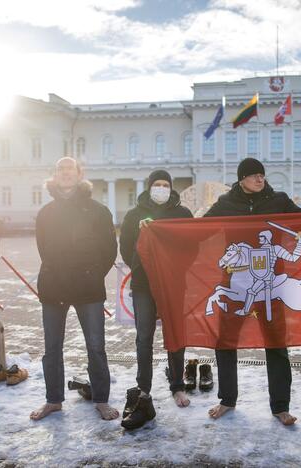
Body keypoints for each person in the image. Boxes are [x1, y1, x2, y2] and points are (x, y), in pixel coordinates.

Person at [203, 157, 301, 426]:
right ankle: (227, 399)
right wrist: (161, 227)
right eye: (253, 175)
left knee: (276, 344)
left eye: (262, 174)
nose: (260, 179)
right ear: (241, 179)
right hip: (235, 285)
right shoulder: (226, 204)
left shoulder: (279, 200)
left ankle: (280, 406)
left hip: (269, 286)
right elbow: (198, 229)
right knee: (226, 341)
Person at [30, 157, 119, 421]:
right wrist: (58, 272)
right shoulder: (45, 213)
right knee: (52, 347)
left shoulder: (98, 210)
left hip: (88, 288)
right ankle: (53, 400)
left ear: (81, 174)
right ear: (54, 176)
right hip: (53, 286)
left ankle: (102, 400)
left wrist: (91, 274)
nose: (65, 172)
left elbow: (109, 250)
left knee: (95, 346)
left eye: (70, 168)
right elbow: (42, 248)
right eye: (60, 168)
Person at [119, 170, 194, 430]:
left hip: (174, 284)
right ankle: (144, 388)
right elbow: (126, 248)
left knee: (175, 335)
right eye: (157, 184)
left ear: (171, 188)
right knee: (144, 337)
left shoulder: (182, 214)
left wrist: (174, 269)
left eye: (165, 184)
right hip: (143, 285)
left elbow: (191, 246)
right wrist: (143, 266)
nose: (161, 188)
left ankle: (177, 385)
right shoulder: (133, 214)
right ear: (150, 187)